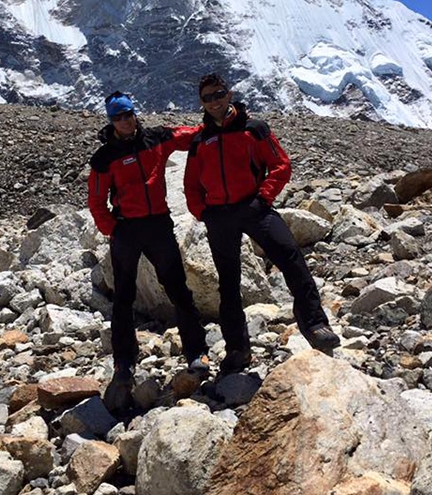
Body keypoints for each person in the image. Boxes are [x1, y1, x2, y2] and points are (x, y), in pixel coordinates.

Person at [184, 73, 340, 374]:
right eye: (208, 97)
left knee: (292, 258)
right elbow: (191, 183)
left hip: (254, 207)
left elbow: (280, 165)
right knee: (228, 285)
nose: (214, 101)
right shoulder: (200, 140)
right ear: (202, 102)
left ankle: (316, 325)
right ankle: (237, 350)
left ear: (228, 94)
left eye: (219, 94)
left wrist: (264, 197)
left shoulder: (253, 129)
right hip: (219, 216)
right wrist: (202, 212)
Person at [87, 91, 210, 409]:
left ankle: (196, 352)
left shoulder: (156, 138)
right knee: (124, 299)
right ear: (111, 121)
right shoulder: (104, 158)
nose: (125, 121)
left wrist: (215, 121)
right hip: (127, 229)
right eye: (118, 117)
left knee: (178, 290)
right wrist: (113, 230)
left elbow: (188, 137)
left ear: (135, 113)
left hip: (158, 225)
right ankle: (124, 364)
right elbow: (97, 201)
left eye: (128, 114)